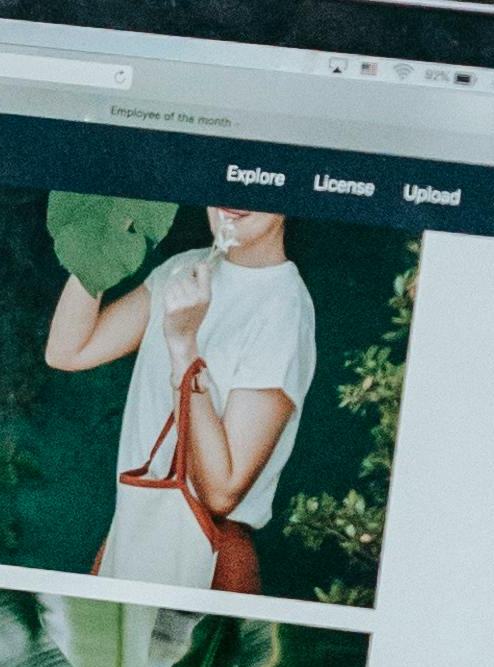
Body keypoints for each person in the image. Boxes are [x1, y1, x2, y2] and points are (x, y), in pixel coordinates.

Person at [46, 203, 315, 588]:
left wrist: (183, 345)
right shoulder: (183, 268)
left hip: (209, 555)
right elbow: (67, 352)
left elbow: (221, 492)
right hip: (136, 529)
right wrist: (99, 243)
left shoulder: (283, 307)